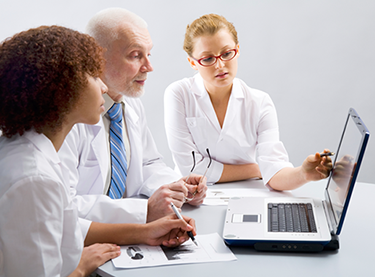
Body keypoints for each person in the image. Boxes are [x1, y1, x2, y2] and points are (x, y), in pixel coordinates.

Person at [0, 25, 196, 277]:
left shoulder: (32, 152)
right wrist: (80, 269)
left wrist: (144, 232)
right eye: (93, 76)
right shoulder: (35, 179)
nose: (103, 86)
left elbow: (57, 226)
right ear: (63, 90)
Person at [59, 7, 207, 239]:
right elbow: (60, 208)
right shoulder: (68, 117)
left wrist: (178, 187)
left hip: (126, 239)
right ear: (97, 57)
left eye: (149, 54)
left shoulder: (129, 103)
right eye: (136, 55)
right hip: (83, 243)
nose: (149, 67)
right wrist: (144, 211)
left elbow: (147, 162)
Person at [164, 14, 332, 191]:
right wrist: (255, 169)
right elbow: (190, 169)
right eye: (207, 59)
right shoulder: (179, 94)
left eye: (227, 53)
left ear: (237, 50)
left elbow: (274, 173)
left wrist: (302, 174)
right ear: (192, 62)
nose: (220, 65)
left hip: (247, 193)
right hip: (192, 195)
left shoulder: (260, 103)